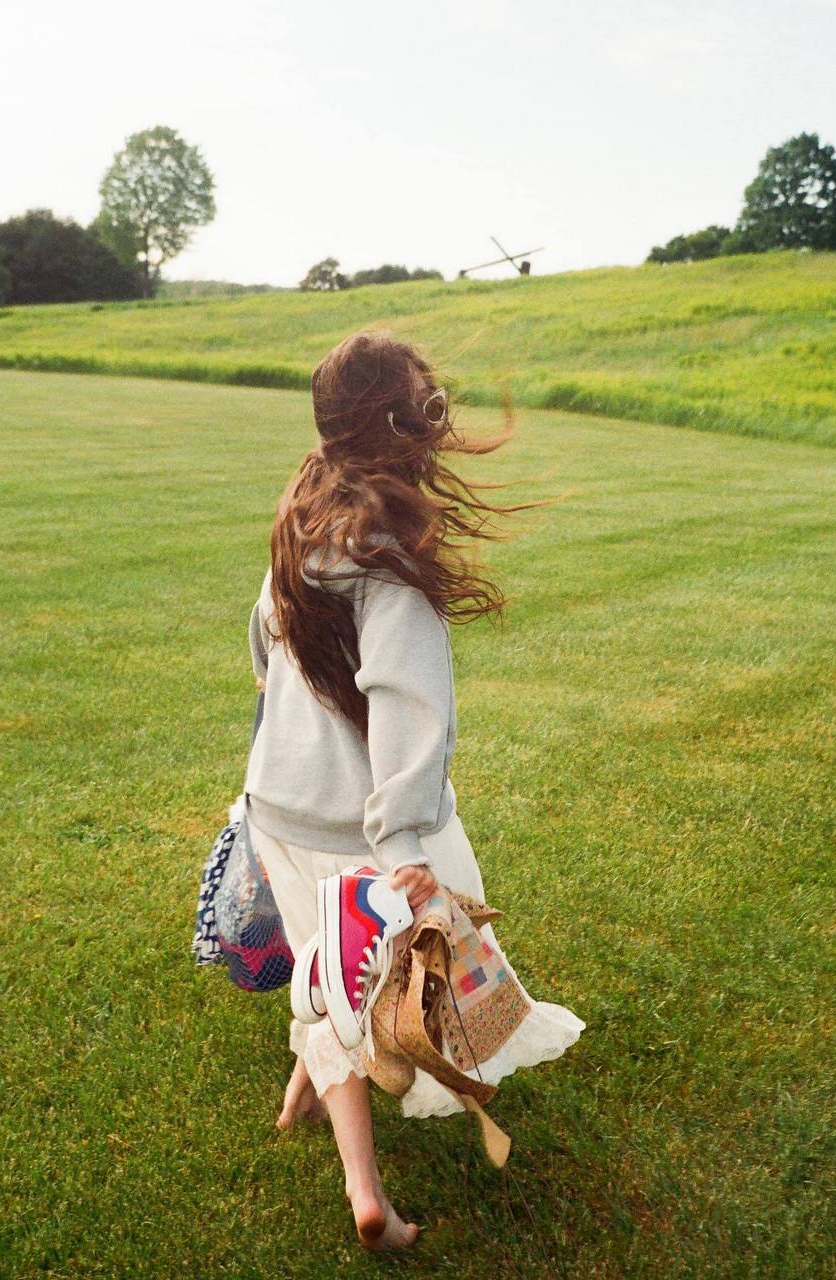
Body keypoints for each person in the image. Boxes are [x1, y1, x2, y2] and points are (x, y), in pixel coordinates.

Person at [243, 329, 586, 1251]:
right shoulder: (388, 553)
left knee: (326, 978)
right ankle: (358, 1163)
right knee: (392, 979)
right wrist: (403, 850)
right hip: (363, 818)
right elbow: (402, 700)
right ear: (412, 428)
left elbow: (259, 648)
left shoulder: (301, 518)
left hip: (277, 803)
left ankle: (361, 1182)